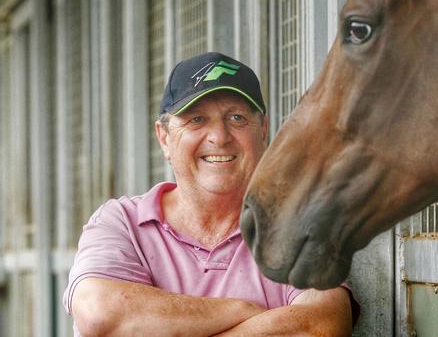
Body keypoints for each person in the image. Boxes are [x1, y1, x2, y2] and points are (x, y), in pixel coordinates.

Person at [63, 52, 358, 336]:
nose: (219, 137)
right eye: (196, 119)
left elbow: (321, 326)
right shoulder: (122, 223)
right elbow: (100, 314)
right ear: (164, 137)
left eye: (237, 118)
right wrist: (241, 310)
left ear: (263, 129)